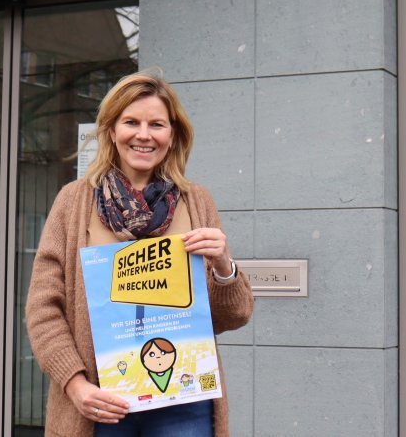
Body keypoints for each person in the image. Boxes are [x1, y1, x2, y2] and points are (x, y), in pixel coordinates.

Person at [26, 69, 254, 437]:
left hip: (184, 399)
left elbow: (231, 316)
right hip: (100, 402)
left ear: (172, 134)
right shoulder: (74, 202)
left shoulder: (197, 202)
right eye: (131, 121)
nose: (144, 135)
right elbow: (43, 308)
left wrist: (224, 266)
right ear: (112, 130)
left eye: (157, 124)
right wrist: (75, 384)